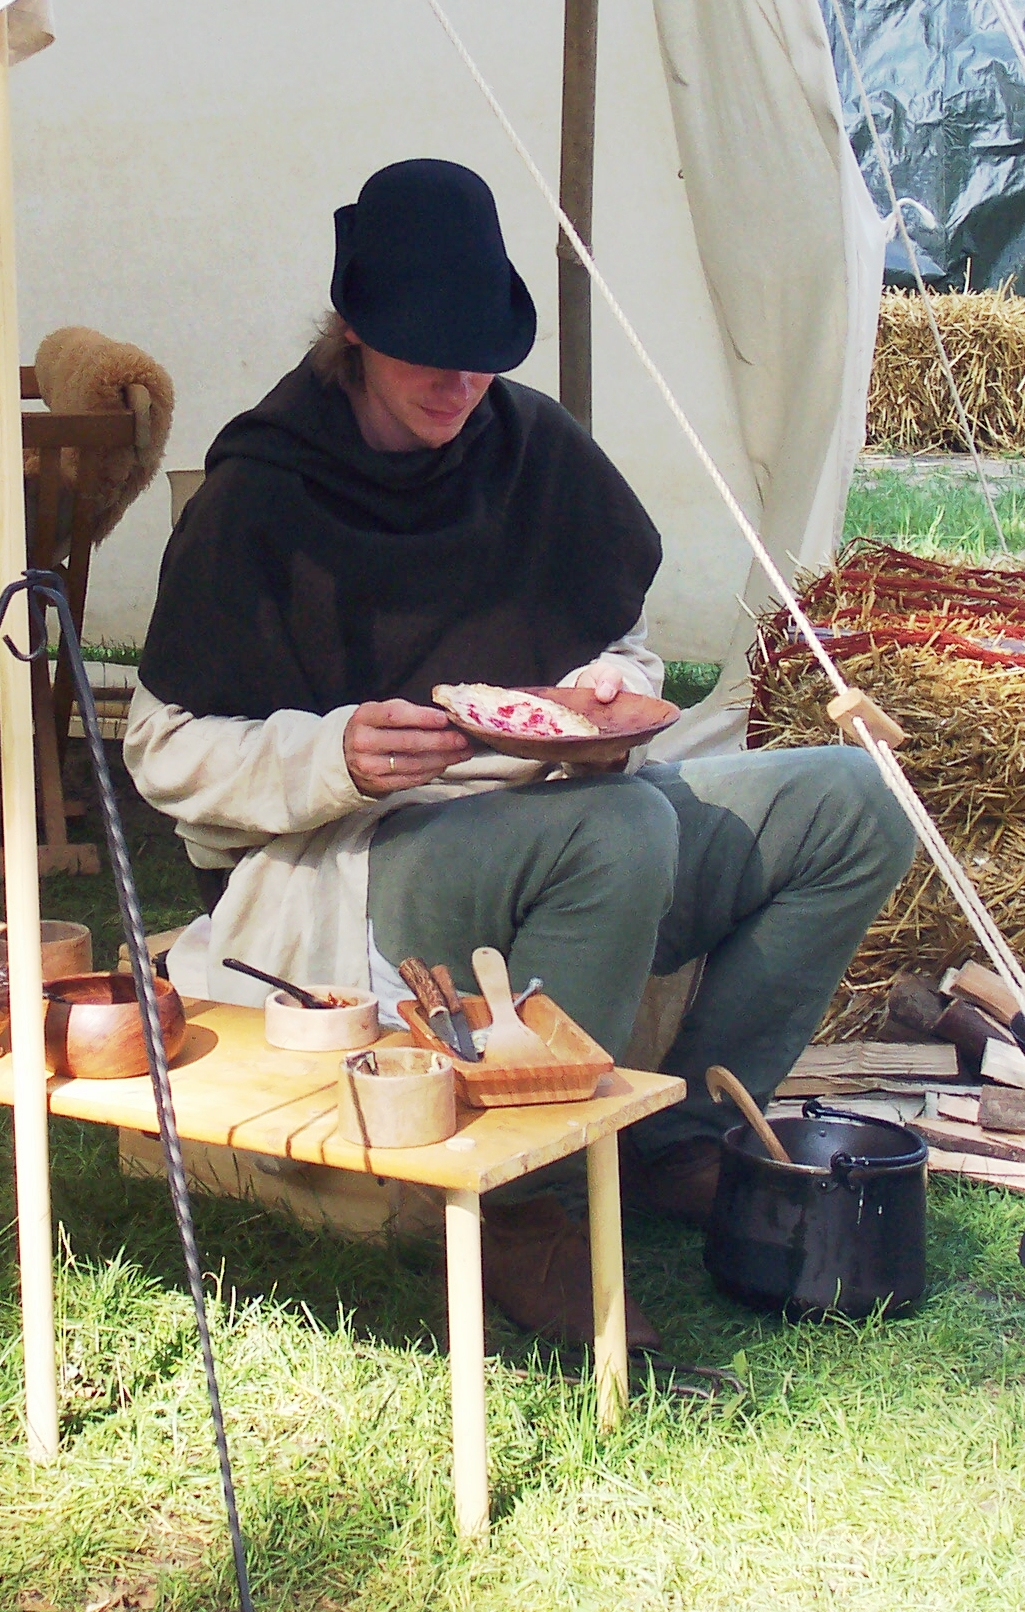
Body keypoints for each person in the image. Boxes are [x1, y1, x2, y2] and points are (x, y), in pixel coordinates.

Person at [125, 159, 915, 1349]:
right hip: (354, 865)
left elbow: (620, 643)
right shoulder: (262, 493)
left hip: (574, 813)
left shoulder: (528, 446)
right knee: (625, 829)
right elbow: (162, 749)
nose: (460, 380)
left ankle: (669, 1138)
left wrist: (611, 693)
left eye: (480, 350)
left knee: (856, 794)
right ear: (353, 330)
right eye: (426, 352)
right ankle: (521, 1207)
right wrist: (333, 751)